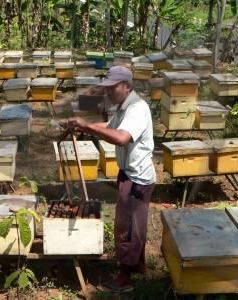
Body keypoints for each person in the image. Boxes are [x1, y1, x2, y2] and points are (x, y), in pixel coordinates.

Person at [65, 66, 156, 292]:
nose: (107, 92)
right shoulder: (124, 106)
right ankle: (139, 267)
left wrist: (87, 126)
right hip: (131, 175)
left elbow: (122, 137)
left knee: (126, 228)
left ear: (126, 86)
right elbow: (110, 126)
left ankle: (124, 280)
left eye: (112, 87)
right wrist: (83, 127)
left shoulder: (137, 108)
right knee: (136, 226)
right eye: (106, 88)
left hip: (137, 179)